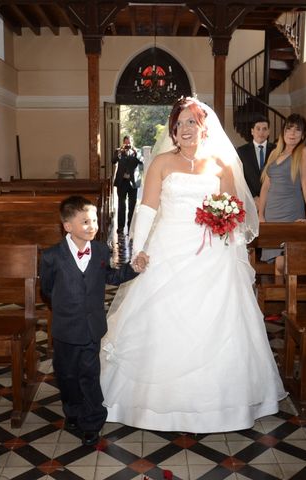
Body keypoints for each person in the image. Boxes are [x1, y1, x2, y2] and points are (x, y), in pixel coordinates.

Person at [100, 97, 286, 433]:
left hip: (212, 254)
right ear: (172, 130)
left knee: (219, 323)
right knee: (160, 321)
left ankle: (222, 405)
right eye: (180, 123)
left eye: (192, 122)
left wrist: (224, 224)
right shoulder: (161, 163)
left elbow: (234, 212)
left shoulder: (221, 165)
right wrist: (138, 252)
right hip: (167, 251)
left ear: (204, 127)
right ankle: (151, 404)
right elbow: (147, 211)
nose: (185, 129)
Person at [39, 196, 146, 446]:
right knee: (66, 375)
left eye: (95, 220)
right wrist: (66, 305)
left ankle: (92, 420)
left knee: (89, 373)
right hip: (66, 328)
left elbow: (110, 275)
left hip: (92, 327)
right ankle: (73, 411)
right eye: (85, 221)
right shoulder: (52, 256)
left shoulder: (100, 250)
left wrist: (134, 269)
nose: (92, 226)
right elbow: (47, 288)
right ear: (68, 226)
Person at [257, 113, 306, 271]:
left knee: (284, 262)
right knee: (276, 263)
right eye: (289, 129)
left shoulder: (305, 153)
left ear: (303, 134)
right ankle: (279, 295)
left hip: (290, 213)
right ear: (283, 132)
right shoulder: (274, 154)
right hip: (271, 215)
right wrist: (260, 214)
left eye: (297, 130)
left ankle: (286, 295)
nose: (292, 133)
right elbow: (265, 187)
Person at [236, 115, 273, 200]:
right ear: (252, 131)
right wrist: (254, 197)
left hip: (272, 199)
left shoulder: (276, 150)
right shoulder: (242, 151)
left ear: (268, 132)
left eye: (264, 129)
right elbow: (241, 177)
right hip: (250, 199)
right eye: (258, 129)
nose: (261, 132)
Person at [112, 135, 141, 236]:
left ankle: (131, 227)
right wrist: (120, 152)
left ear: (132, 142)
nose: (128, 144)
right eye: (126, 142)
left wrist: (135, 152)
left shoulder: (137, 151)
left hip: (133, 182)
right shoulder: (119, 151)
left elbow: (141, 162)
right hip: (122, 181)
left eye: (129, 142)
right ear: (123, 142)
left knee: (132, 206)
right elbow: (113, 161)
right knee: (121, 205)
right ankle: (120, 228)